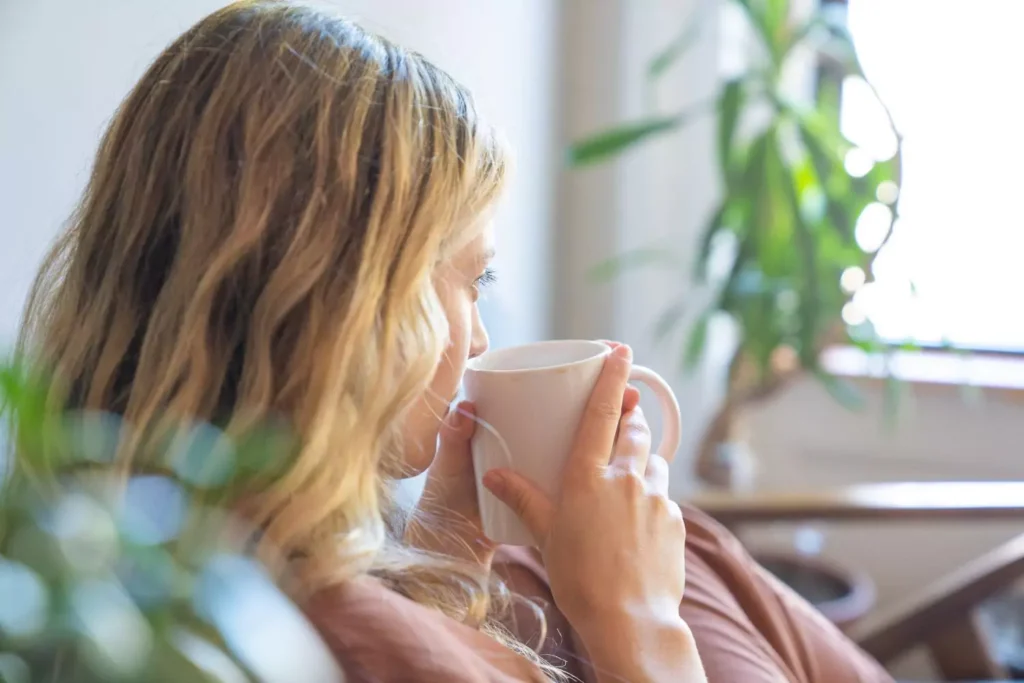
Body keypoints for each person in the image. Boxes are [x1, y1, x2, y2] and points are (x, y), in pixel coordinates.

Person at [16, 2, 892, 681]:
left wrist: (441, 560)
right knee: (684, 554)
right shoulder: (357, 635)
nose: (477, 340)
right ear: (348, 302)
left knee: (664, 546)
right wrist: (642, 625)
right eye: (473, 280)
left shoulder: (115, 566)